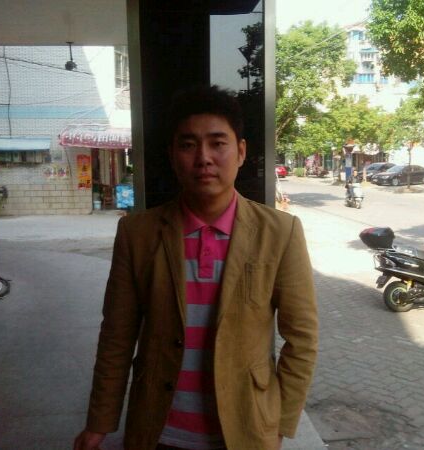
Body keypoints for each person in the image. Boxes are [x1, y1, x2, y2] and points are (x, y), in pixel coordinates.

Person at [74, 86, 318, 450]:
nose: (203, 158)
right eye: (188, 145)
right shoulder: (137, 234)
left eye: (217, 143)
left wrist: (279, 422)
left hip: (245, 432)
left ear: (241, 152)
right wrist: (100, 420)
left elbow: (302, 338)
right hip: (157, 432)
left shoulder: (280, 233)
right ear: (172, 155)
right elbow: (117, 335)